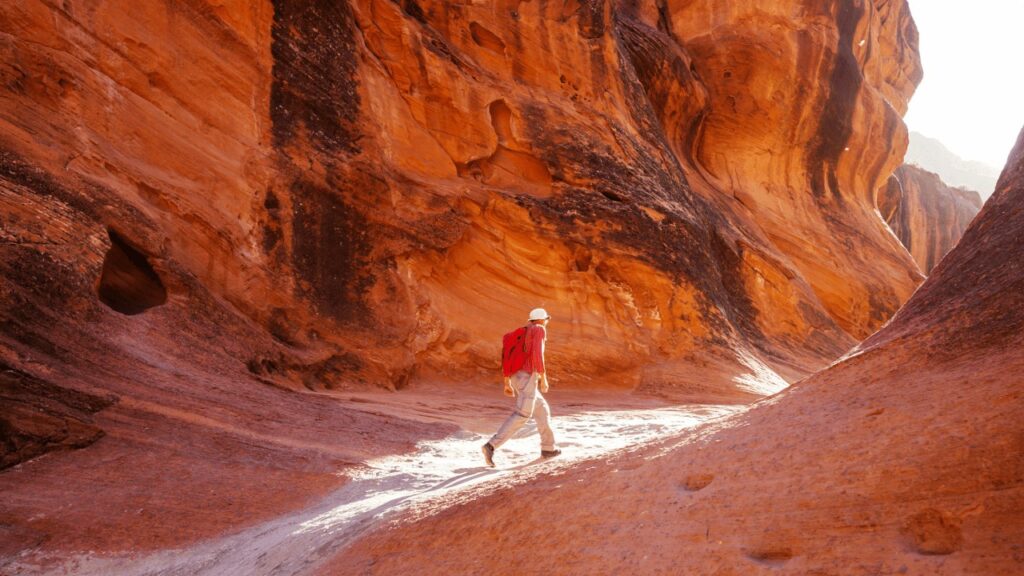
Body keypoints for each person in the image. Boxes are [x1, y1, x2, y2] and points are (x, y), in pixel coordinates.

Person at [482, 307, 560, 467]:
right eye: (546, 319)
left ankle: (548, 448)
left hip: (516, 376)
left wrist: (507, 381)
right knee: (523, 414)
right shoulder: (538, 330)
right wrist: (543, 378)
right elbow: (538, 354)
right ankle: (491, 446)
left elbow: (506, 356)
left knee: (542, 409)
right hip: (527, 377)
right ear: (541, 320)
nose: (546, 322)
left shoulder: (520, 332)